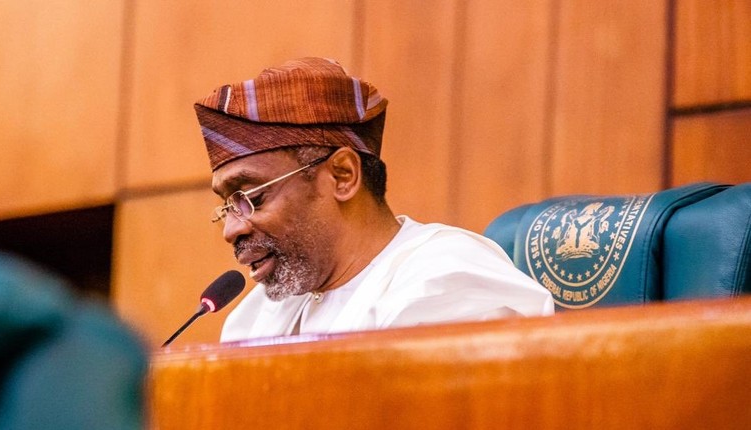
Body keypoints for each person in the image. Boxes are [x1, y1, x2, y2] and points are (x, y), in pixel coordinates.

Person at [193, 57, 554, 342]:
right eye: (227, 205)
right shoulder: (254, 318)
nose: (231, 230)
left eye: (251, 196)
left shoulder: (446, 284)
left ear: (343, 176)